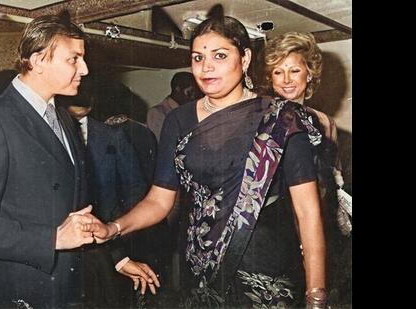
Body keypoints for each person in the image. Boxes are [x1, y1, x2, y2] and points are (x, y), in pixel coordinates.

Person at [86, 5, 328, 308]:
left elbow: (308, 212)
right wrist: (114, 228)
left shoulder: (281, 120)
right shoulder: (179, 120)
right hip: (199, 270)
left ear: (245, 58)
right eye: (198, 58)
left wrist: (316, 296)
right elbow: (159, 201)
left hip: (266, 272)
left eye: (220, 55)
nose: (206, 67)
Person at [0, 12, 102, 308]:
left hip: (68, 288)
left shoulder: (63, 119)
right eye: (73, 59)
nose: (84, 68)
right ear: (38, 59)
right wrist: (52, 239)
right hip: (25, 292)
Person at [263, 31, 352, 306]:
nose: (287, 80)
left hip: (318, 219)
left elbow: (333, 176)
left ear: (309, 74)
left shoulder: (325, 122)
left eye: (294, 70)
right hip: (277, 223)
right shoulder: (264, 120)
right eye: (278, 72)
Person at [57, 79, 150, 307]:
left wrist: (121, 236)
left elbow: (135, 189)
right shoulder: (51, 134)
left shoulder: (112, 136)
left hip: (108, 245)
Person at [146, 71, 202, 141]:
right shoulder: (157, 112)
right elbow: (159, 143)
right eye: (190, 92)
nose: (193, 96)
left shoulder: (189, 110)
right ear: (177, 89)